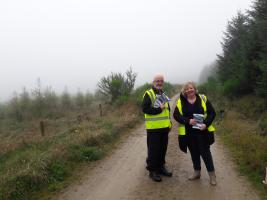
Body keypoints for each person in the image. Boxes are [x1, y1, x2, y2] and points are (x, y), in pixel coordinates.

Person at [173, 81, 217, 186]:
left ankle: (212, 176)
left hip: (203, 132)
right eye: (187, 89)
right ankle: (197, 172)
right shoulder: (180, 101)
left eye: (191, 88)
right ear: (184, 91)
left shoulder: (203, 98)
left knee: (206, 154)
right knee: (194, 153)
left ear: (195, 89)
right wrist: (187, 121)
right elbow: (176, 115)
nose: (189, 90)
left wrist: (205, 124)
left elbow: (212, 113)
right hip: (189, 133)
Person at [142, 74, 173, 182]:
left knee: (162, 149)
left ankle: (161, 167)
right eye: (157, 81)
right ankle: (152, 171)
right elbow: (145, 109)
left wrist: (169, 123)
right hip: (153, 128)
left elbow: (167, 110)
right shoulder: (148, 94)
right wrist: (159, 109)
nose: (159, 83)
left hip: (164, 128)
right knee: (153, 151)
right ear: (153, 82)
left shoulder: (163, 93)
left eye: (161, 81)